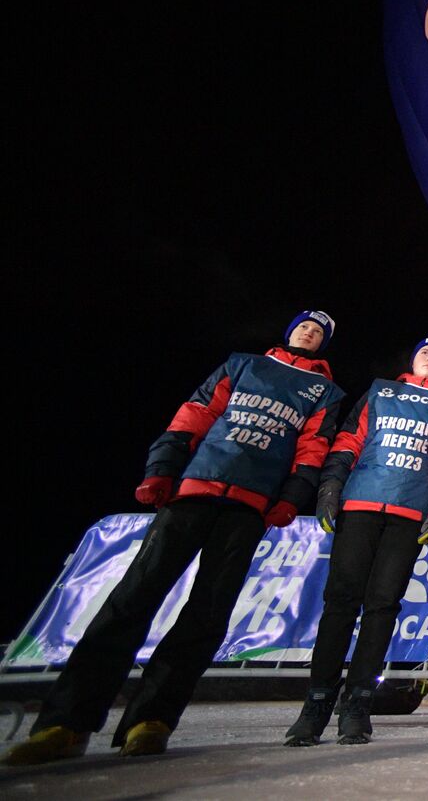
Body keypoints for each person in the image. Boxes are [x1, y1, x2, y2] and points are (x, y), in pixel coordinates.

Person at [6, 311, 344, 765]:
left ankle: (153, 719)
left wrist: (291, 497)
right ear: (289, 330)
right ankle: (65, 721)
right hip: (194, 490)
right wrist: (162, 467)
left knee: (206, 613)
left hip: (249, 506)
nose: (310, 332)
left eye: (319, 331)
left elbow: (312, 448)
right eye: (305, 325)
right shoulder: (242, 364)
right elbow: (197, 413)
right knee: (132, 598)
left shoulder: (324, 391)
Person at [284, 337, 428, 747]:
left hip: (409, 514)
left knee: (383, 606)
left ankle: (358, 704)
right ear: (412, 359)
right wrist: (331, 484)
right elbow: (349, 439)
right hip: (362, 503)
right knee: (340, 601)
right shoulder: (381, 392)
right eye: (425, 352)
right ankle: (315, 705)